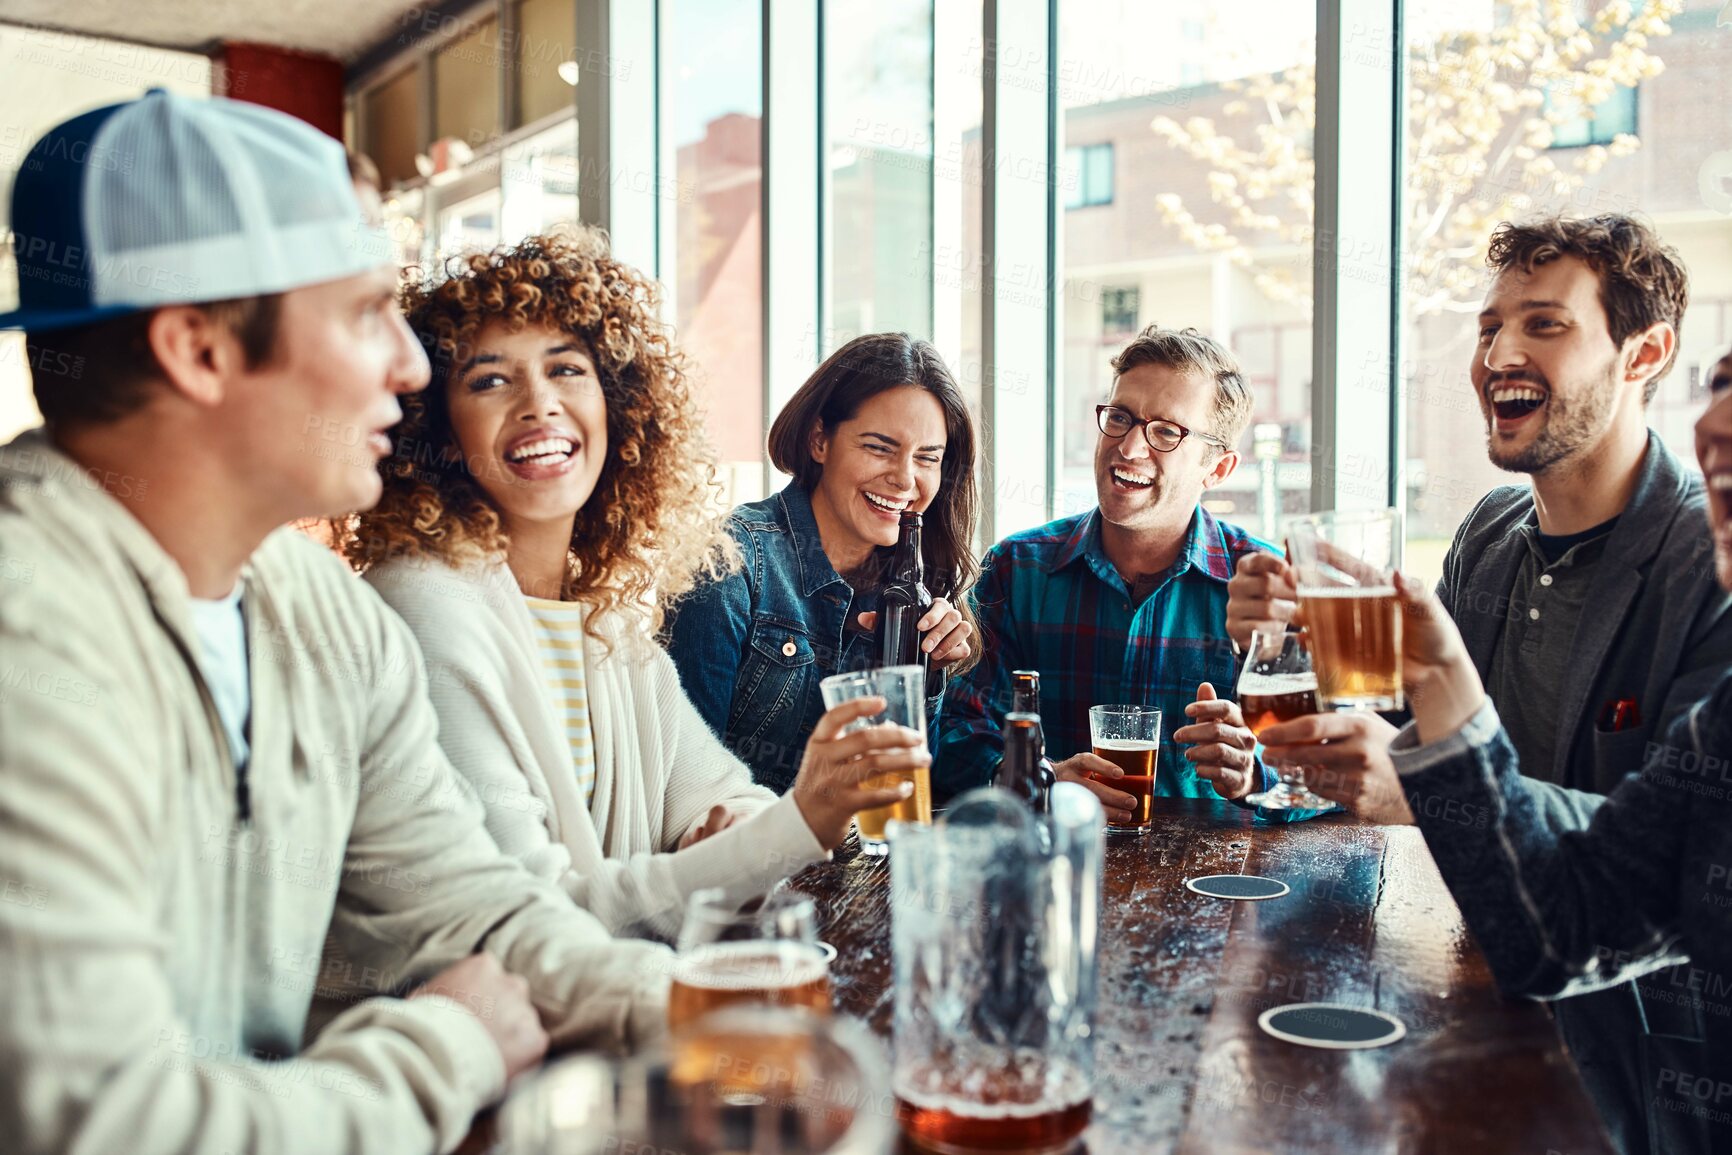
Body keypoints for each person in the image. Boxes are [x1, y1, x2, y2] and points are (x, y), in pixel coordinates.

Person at [0, 91, 687, 1155]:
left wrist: (690, 1006)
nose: (411, 368)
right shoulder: (27, 632)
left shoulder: (320, 612)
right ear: (200, 349)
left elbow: (471, 911)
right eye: (365, 313)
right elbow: (104, 1126)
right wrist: (444, 1049)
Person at [1248, 217, 1732, 1154]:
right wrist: (1289, 660)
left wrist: (1420, 786)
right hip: (1471, 997)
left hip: (1644, 1080)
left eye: (1545, 325)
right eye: (1487, 329)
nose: (1499, 353)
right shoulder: (1489, 532)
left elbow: (1653, 859)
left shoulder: (1704, 560)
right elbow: (1408, 728)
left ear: (1647, 353)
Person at [342, 232, 923, 938]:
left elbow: (720, 793)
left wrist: (734, 832)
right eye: (490, 380)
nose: (539, 404)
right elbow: (532, 923)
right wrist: (791, 824)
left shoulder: (603, 619)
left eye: (566, 370)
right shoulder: (422, 608)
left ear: (619, 408)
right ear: (435, 424)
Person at [935, 325, 1276, 813]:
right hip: (1048, 870)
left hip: (1211, 879)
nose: (1130, 448)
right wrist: (1036, 779)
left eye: (1165, 432)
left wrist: (1255, 773)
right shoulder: (1017, 567)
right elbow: (954, 731)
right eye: (1120, 418)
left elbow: (1334, 764)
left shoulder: (1263, 582)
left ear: (1217, 468)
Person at [663, 333, 979, 794]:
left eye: (927, 458)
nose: (905, 479)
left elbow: (901, 790)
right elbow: (684, 785)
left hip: (858, 864)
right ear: (819, 441)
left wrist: (925, 676)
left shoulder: (917, 586)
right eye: (879, 447)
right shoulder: (729, 562)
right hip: (745, 859)